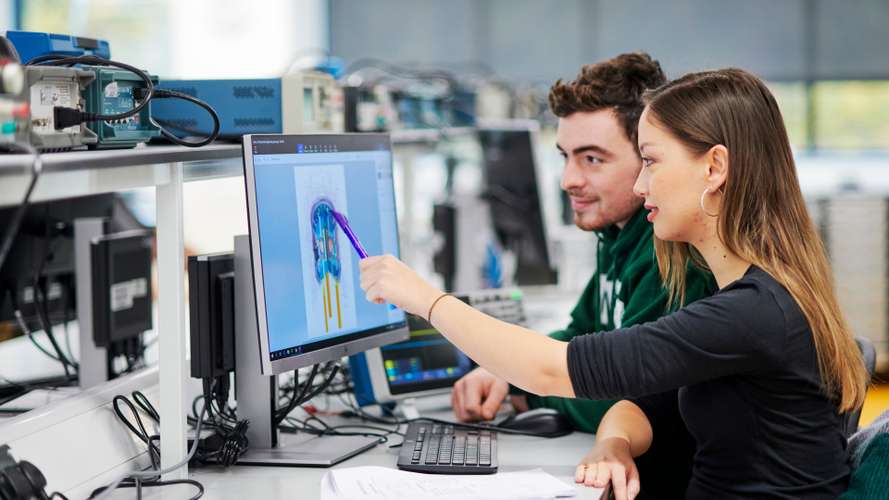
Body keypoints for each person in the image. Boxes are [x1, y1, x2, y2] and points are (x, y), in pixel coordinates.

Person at [359, 68, 868, 499]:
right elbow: (653, 401)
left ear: (714, 168)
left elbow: (551, 370)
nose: (642, 184)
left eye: (650, 161)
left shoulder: (753, 312)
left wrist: (426, 300)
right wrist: (614, 442)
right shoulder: (751, 296)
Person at [451, 52, 714, 436]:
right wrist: (504, 370)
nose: (568, 180)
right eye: (565, 157)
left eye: (592, 159)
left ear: (647, 157)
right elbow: (580, 332)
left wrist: (532, 390)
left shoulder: (669, 247)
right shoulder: (615, 231)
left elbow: (631, 399)